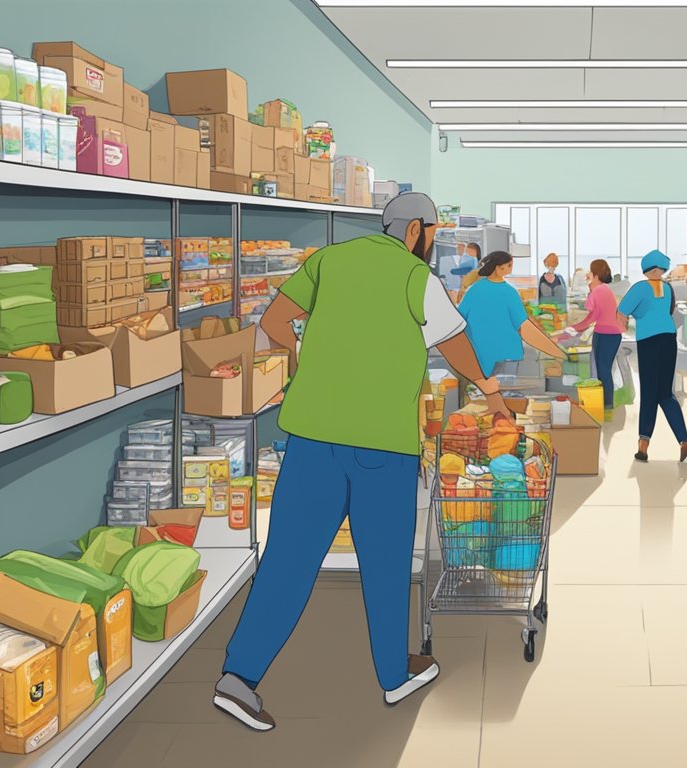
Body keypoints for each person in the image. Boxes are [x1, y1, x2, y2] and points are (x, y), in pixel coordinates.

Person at [213, 192, 511, 731]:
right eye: (433, 233)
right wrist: (490, 393)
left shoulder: (328, 260)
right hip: (381, 446)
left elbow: (276, 322)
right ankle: (394, 675)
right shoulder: (414, 277)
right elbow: (455, 344)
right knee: (387, 564)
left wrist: (306, 362)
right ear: (416, 230)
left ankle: (239, 678)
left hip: (310, 439)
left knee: (287, 559)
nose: (433, 242)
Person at [618, 250, 687, 464]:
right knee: (665, 394)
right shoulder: (668, 288)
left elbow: (622, 311)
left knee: (650, 393)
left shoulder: (640, 287)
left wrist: (624, 325)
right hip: (668, 340)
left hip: (649, 341)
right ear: (661, 268)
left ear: (645, 268)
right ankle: (683, 441)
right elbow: (668, 312)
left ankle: (643, 446)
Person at [459, 250, 566, 379]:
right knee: (504, 388)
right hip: (506, 352)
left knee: (483, 389)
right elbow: (524, 327)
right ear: (499, 267)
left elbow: (459, 321)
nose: (511, 268)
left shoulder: (474, 290)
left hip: (479, 351)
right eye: (509, 265)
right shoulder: (509, 292)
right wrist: (556, 352)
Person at [566, 259, 624, 410]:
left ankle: (607, 405)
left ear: (594, 273)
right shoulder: (602, 289)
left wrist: (575, 328)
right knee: (601, 370)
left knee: (603, 370)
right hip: (603, 332)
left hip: (608, 334)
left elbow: (592, 316)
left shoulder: (599, 290)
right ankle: (604, 403)